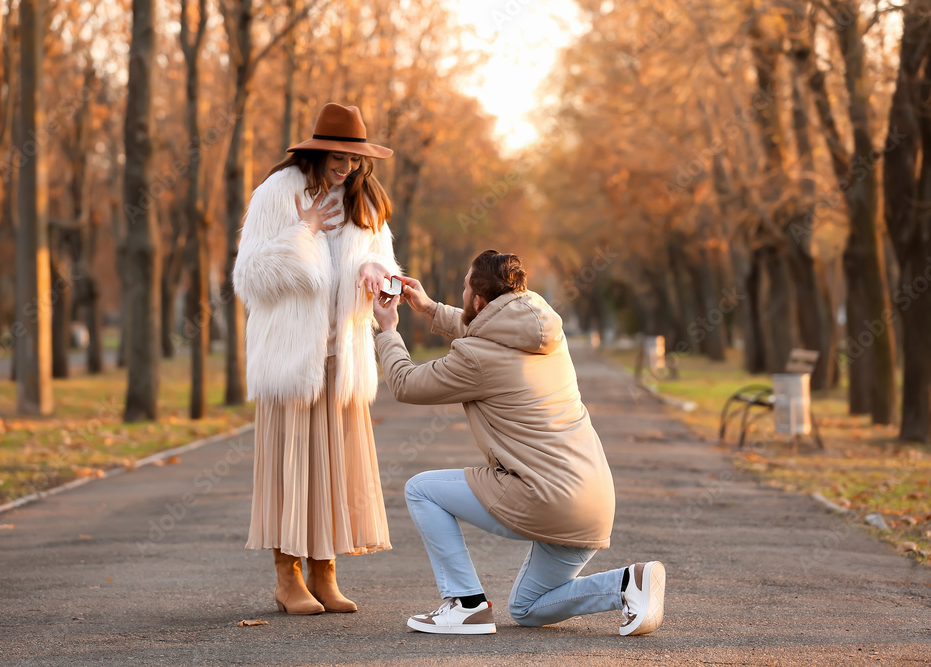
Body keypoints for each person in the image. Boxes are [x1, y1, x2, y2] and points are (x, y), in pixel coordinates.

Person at [370, 250, 666, 635]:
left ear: (478, 300)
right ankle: (628, 583)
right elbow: (488, 336)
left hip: (545, 499)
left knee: (421, 490)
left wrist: (388, 330)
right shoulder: (546, 332)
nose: (461, 294)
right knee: (527, 608)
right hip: (592, 501)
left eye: (464, 287)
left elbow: (406, 384)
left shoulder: (477, 356)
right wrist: (428, 308)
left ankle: (465, 604)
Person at [233, 103, 399, 615]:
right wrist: (301, 231)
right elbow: (248, 276)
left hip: (341, 358)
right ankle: (288, 579)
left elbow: (384, 260)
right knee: (292, 471)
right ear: (318, 150)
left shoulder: (364, 201)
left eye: (355, 158)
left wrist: (378, 270)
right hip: (291, 360)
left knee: (333, 473)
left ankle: (325, 575)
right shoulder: (277, 193)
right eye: (339, 156)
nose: (346, 166)